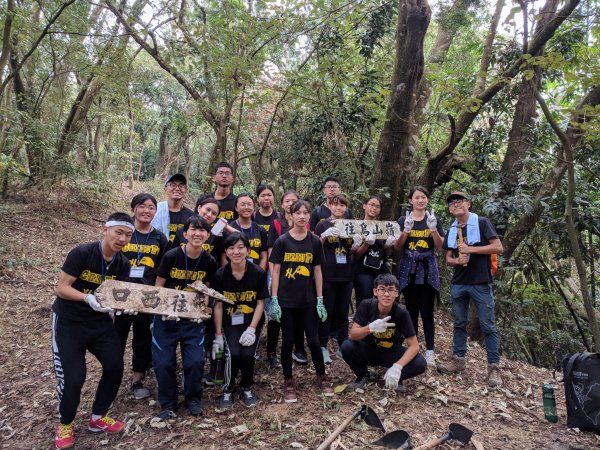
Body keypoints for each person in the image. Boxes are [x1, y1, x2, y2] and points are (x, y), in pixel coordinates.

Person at [52, 213, 134, 449]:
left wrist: (126, 307)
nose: (122, 238)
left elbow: (120, 294)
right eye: (118, 232)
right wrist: (87, 298)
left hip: (99, 323)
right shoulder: (82, 253)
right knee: (74, 377)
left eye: (128, 235)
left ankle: (98, 417)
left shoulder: (123, 263)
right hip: (69, 321)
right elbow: (62, 288)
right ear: (105, 230)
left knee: (115, 366)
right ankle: (65, 423)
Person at [153, 216, 218, 419]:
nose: (197, 233)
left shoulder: (209, 261)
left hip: (192, 321)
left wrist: (202, 311)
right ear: (185, 233)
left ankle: (193, 399)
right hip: (167, 319)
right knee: (164, 363)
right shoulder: (171, 256)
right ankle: (167, 403)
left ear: (208, 235)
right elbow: (158, 285)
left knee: (195, 361)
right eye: (193, 229)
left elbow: (207, 290)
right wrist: (163, 308)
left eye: (202, 230)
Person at [269, 200, 334, 402]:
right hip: (287, 302)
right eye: (298, 212)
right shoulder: (282, 241)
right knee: (287, 341)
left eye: (306, 213)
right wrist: (274, 299)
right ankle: (289, 381)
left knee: (313, 341)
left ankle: (322, 377)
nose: (303, 216)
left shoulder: (314, 241)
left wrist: (320, 299)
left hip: (308, 301)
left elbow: (317, 271)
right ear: (292, 214)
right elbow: (276, 270)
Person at [437, 191, 504, 387]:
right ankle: (458, 360)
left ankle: (494, 367)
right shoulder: (452, 229)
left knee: (488, 325)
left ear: (468, 204)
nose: (455, 205)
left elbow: (498, 247)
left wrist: (471, 249)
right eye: (451, 203)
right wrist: (457, 259)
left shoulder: (482, 223)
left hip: (480, 282)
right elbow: (448, 259)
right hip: (459, 282)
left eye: (459, 201)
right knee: (459, 322)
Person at [115, 194, 168, 400]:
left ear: (156, 211)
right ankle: (113, 376)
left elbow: (163, 267)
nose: (146, 211)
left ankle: (137, 379)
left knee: (143, 338)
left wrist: (158, 293)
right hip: (121, 295)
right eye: (142, 206)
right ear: (133, 209)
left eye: (151, 207)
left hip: (147, 295)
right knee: (116, 337)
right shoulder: (124, 233)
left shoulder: (159, 237)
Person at [340, 274, 427, 393]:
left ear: (397, 294)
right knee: (346, 346)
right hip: (369, 349)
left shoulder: (401, 313)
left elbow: (414, 346)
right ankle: (362, 375)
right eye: (382, 289)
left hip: (391, 352)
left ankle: (395, 377)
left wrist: (398, 367)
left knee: (420, 363)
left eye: (391, 290)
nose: (386, 294)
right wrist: (370, 328)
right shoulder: (367, 305)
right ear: (375, 291)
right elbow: (352, 335)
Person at [212, 233, 267, 411]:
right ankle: (228, 389)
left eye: (241, 247)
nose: (236, 251)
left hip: (252, 321)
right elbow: (218, 305)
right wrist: (218, 334)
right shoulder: (220, 274)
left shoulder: (258, 273)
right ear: (226, 252)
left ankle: (247, 387)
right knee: (234, 353)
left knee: (248, 355)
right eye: (231, 248)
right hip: (229, 322)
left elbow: (260, 303)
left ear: (248, 250)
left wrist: (252, 329)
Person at [389, 186, 444, 366]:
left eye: (423, 197)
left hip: (428, 269)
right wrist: (405, 230)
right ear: (411, 200)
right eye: (417, 197)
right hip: (408, 269)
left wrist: (434, 229)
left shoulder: (433, 219)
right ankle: (413, 348)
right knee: (411, 310)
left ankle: (430, 351)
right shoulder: (403, 219)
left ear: (427, 200)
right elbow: (397, 247)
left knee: (427, 312)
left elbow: (439, 246)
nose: (420, 200)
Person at [265, 190, 306, 369]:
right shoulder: (276, 223)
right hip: (279, 275)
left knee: (298, 315)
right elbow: (270, 251)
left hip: (299, 277)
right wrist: (273, 278)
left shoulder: (304, 222)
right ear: (282, 205)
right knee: (275, 316)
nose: (290, 203)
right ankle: (272, 352)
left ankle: (298, 349)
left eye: (294, 201)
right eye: (287, 201)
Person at [314, 194, 356, 363]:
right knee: (327, 311)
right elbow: (314, 246)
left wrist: (357, 244)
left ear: (346, 208)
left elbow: (353, 250)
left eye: (342, 205)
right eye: (335, 205)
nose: (338, 208)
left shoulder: (350, 225)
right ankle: (322, 346)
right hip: (328, 274)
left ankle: (344, 346)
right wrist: (323, 236)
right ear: (329, 206)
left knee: (343, 312)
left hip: (346, 274)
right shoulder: (322, 224)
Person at [353, 196, 390, 308]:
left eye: (377, 206)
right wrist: (366, 244)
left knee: (382, 301)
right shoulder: (356, 226)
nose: (374, 208)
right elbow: (356, 255)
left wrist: (388, 244)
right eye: (371, 205)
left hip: (380, 269)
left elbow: (386, 253)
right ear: (364, 206)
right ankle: (361, 324)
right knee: (365, 300)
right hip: (362, 270)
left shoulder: (384, 227)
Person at [151, 173, 194, 248]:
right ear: (165, 189)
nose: (177, 189)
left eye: (181, 186)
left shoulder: (191, 216)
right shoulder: (155, 211)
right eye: (173, 185)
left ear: (185, 190)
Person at [229, 193, 268, 270]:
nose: (246, 207)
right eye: (242, 205)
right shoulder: (229, 228)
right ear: (236, 208)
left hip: (255, 274)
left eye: (249, 204)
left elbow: (264, 257)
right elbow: (224, 256)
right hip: (234, 273)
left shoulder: (260, 230)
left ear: (253, 207)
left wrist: (259, 274)